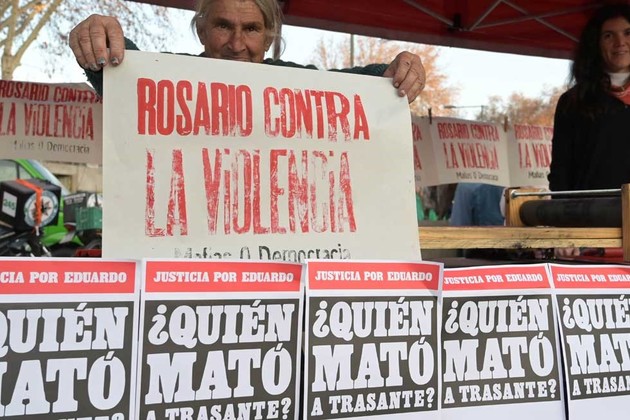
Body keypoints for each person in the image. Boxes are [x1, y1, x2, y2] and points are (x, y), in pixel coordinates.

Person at [68, 0, 426, 100]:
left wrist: (398, 70)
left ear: (268, 39)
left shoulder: (293, 80)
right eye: (224, 26)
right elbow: (126, 74)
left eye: (251, 29)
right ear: (202, 31)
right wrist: (99, 34)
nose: (237, 45)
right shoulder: (170, 77)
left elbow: (354, 86)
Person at [548, 4, 630, 257]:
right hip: (591, 237)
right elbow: (561, 173)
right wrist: (563, 231)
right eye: (609, 35)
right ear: (596, 43)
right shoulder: (573, 102)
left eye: (628, 33)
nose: (620, 42)